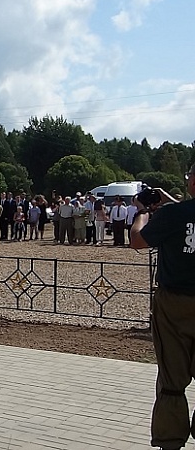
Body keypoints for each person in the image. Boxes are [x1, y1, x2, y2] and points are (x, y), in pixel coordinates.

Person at [129, 164, 195, 450]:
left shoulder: (173, 215)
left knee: (172, 375)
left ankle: (170, 439)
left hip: (175, 302)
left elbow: (137, 241)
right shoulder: (176, 212)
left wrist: (143, 212)